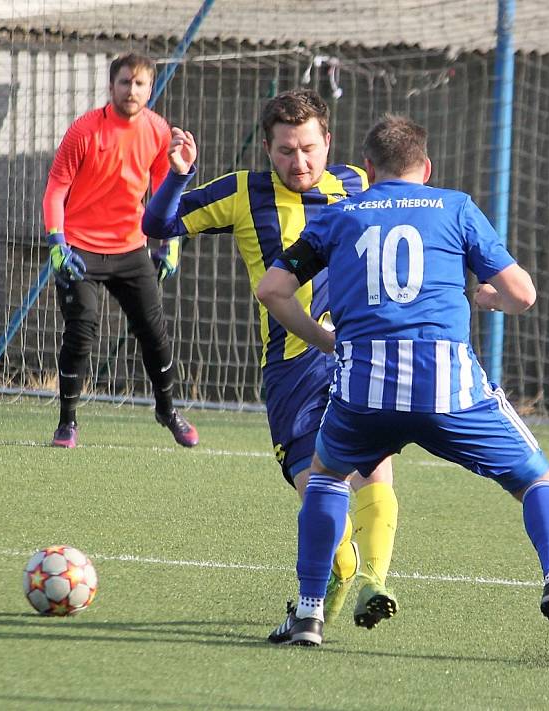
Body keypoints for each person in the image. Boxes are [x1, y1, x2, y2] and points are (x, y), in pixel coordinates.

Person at [257, 114, 549, 650]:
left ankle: (308, 614)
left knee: (327, 478)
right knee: (539, 480)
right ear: (427, 168)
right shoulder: (456, 207)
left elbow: (272, 290)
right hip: (450, 389)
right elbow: (523, 294)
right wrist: (492, 300)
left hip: (364, 390)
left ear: (368, 169)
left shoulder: (340, 215)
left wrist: (324, 340)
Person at [142, 89, 399, 627]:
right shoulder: (242, 193)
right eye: (285, 150)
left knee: (374, 469)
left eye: (308, 148)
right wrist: (179, 176)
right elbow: (157, 225)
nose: (299, 162)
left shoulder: (356, 183)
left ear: (328, 142)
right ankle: (345, 566)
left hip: (359, 355)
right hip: (293, 367)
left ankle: (374, 579)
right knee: (314, 485)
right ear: (266, 148)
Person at [42, 52, 198, 450]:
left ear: (150, 88)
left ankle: (167, 410)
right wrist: (57, 243)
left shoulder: (160, 131)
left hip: (132, 250)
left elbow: (168, 196)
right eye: (125, 82)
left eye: (140, 83)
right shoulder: (83, 130)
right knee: (82, 330)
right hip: (80, 251)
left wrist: (170, 245)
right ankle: (67, 422)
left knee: (155, 334)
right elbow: (56, 189)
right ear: (111, 86)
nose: (132, 90)